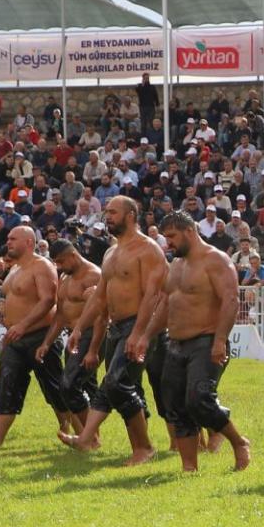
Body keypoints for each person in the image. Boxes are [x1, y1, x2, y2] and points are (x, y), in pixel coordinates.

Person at [61, 197, 164, 465]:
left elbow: (153, 296)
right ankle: (86, 438)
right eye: (106, 212)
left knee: (118, 383)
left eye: (113, 212)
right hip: (116, 327)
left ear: (130, 215)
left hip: (138, 324)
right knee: (111, 385)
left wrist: (138, 333)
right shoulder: (110, 252)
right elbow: (99, 298)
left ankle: (144, 448)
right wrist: (79, 329)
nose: (107, 217)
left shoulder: (148, 250)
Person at [151, 212, 253, 472]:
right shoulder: (176, 265)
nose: (168, 243)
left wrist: (220, 341)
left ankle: (239, 442)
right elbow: (165, 304)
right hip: (174, 343)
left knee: (199, 399)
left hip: (206, 340)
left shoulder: (215, 260)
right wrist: (143, 335)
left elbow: (231, 300)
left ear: (189, 231)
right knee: (175, 405)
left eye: (172, 237)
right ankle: (189, 468)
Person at [0, 226, 73, 447]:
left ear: (28, 242)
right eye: (8, 238)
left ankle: (75, 433)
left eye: (13, 238)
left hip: (40, 335)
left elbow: (48, 300)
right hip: (14, 338)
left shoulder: (42, 266)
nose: (8, 242)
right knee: (5, 387)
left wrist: (24, 325)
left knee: (54, 388)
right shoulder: (15, 268)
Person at [42, 239, 101, 431]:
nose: (59, 266)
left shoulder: (93, 276)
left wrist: (93, 349)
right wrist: (47, 343)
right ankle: (90, 436)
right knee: (86, 387)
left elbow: (102, 314)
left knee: (69, 385)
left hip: (91, 334)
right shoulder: (65, 278)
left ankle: (88, 436)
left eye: (61, 261)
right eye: (56, 263)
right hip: (74, 338)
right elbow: (60, 315)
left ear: (73, 255)